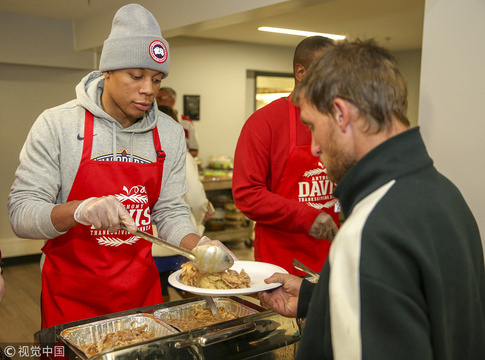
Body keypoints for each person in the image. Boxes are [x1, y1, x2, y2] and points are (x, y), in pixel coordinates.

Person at [259, 39, 485, 359]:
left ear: (340, 114)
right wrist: (318, 296)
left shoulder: (367, 232)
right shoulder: (445, 195)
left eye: (312, 126)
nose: (313, 147)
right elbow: (422, 305)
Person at [7, 4, 227, 328]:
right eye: (136, 76)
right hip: (71, 300)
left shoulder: (167, 133)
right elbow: (21, 213)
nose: (149, 89)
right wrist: (78, 210)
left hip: (141, 296)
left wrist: (200, 247)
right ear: (107, 71)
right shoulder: (58, 125)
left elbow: (169, 210)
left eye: (156, 78)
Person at [232, 36, 340, 275]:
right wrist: (305, 216)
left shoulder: (340, 119)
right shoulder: (264, 123)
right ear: (301, 72)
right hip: (282, 261)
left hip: (334, 257)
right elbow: (247, 194)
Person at [154, 105, 214, 302]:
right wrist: (198, 223)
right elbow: (196, 199)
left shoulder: (138, 151)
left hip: (148, 243)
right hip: (178, 239)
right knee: (189, 288)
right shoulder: (182, 154)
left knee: (157, 294)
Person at [156, 87, 199, 158]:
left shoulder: (186, 123)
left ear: (172, 101)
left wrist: (176, 158)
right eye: (155, 99)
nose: (156, 102)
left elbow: (194, 150)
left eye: (160, 98)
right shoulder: (150, 120)